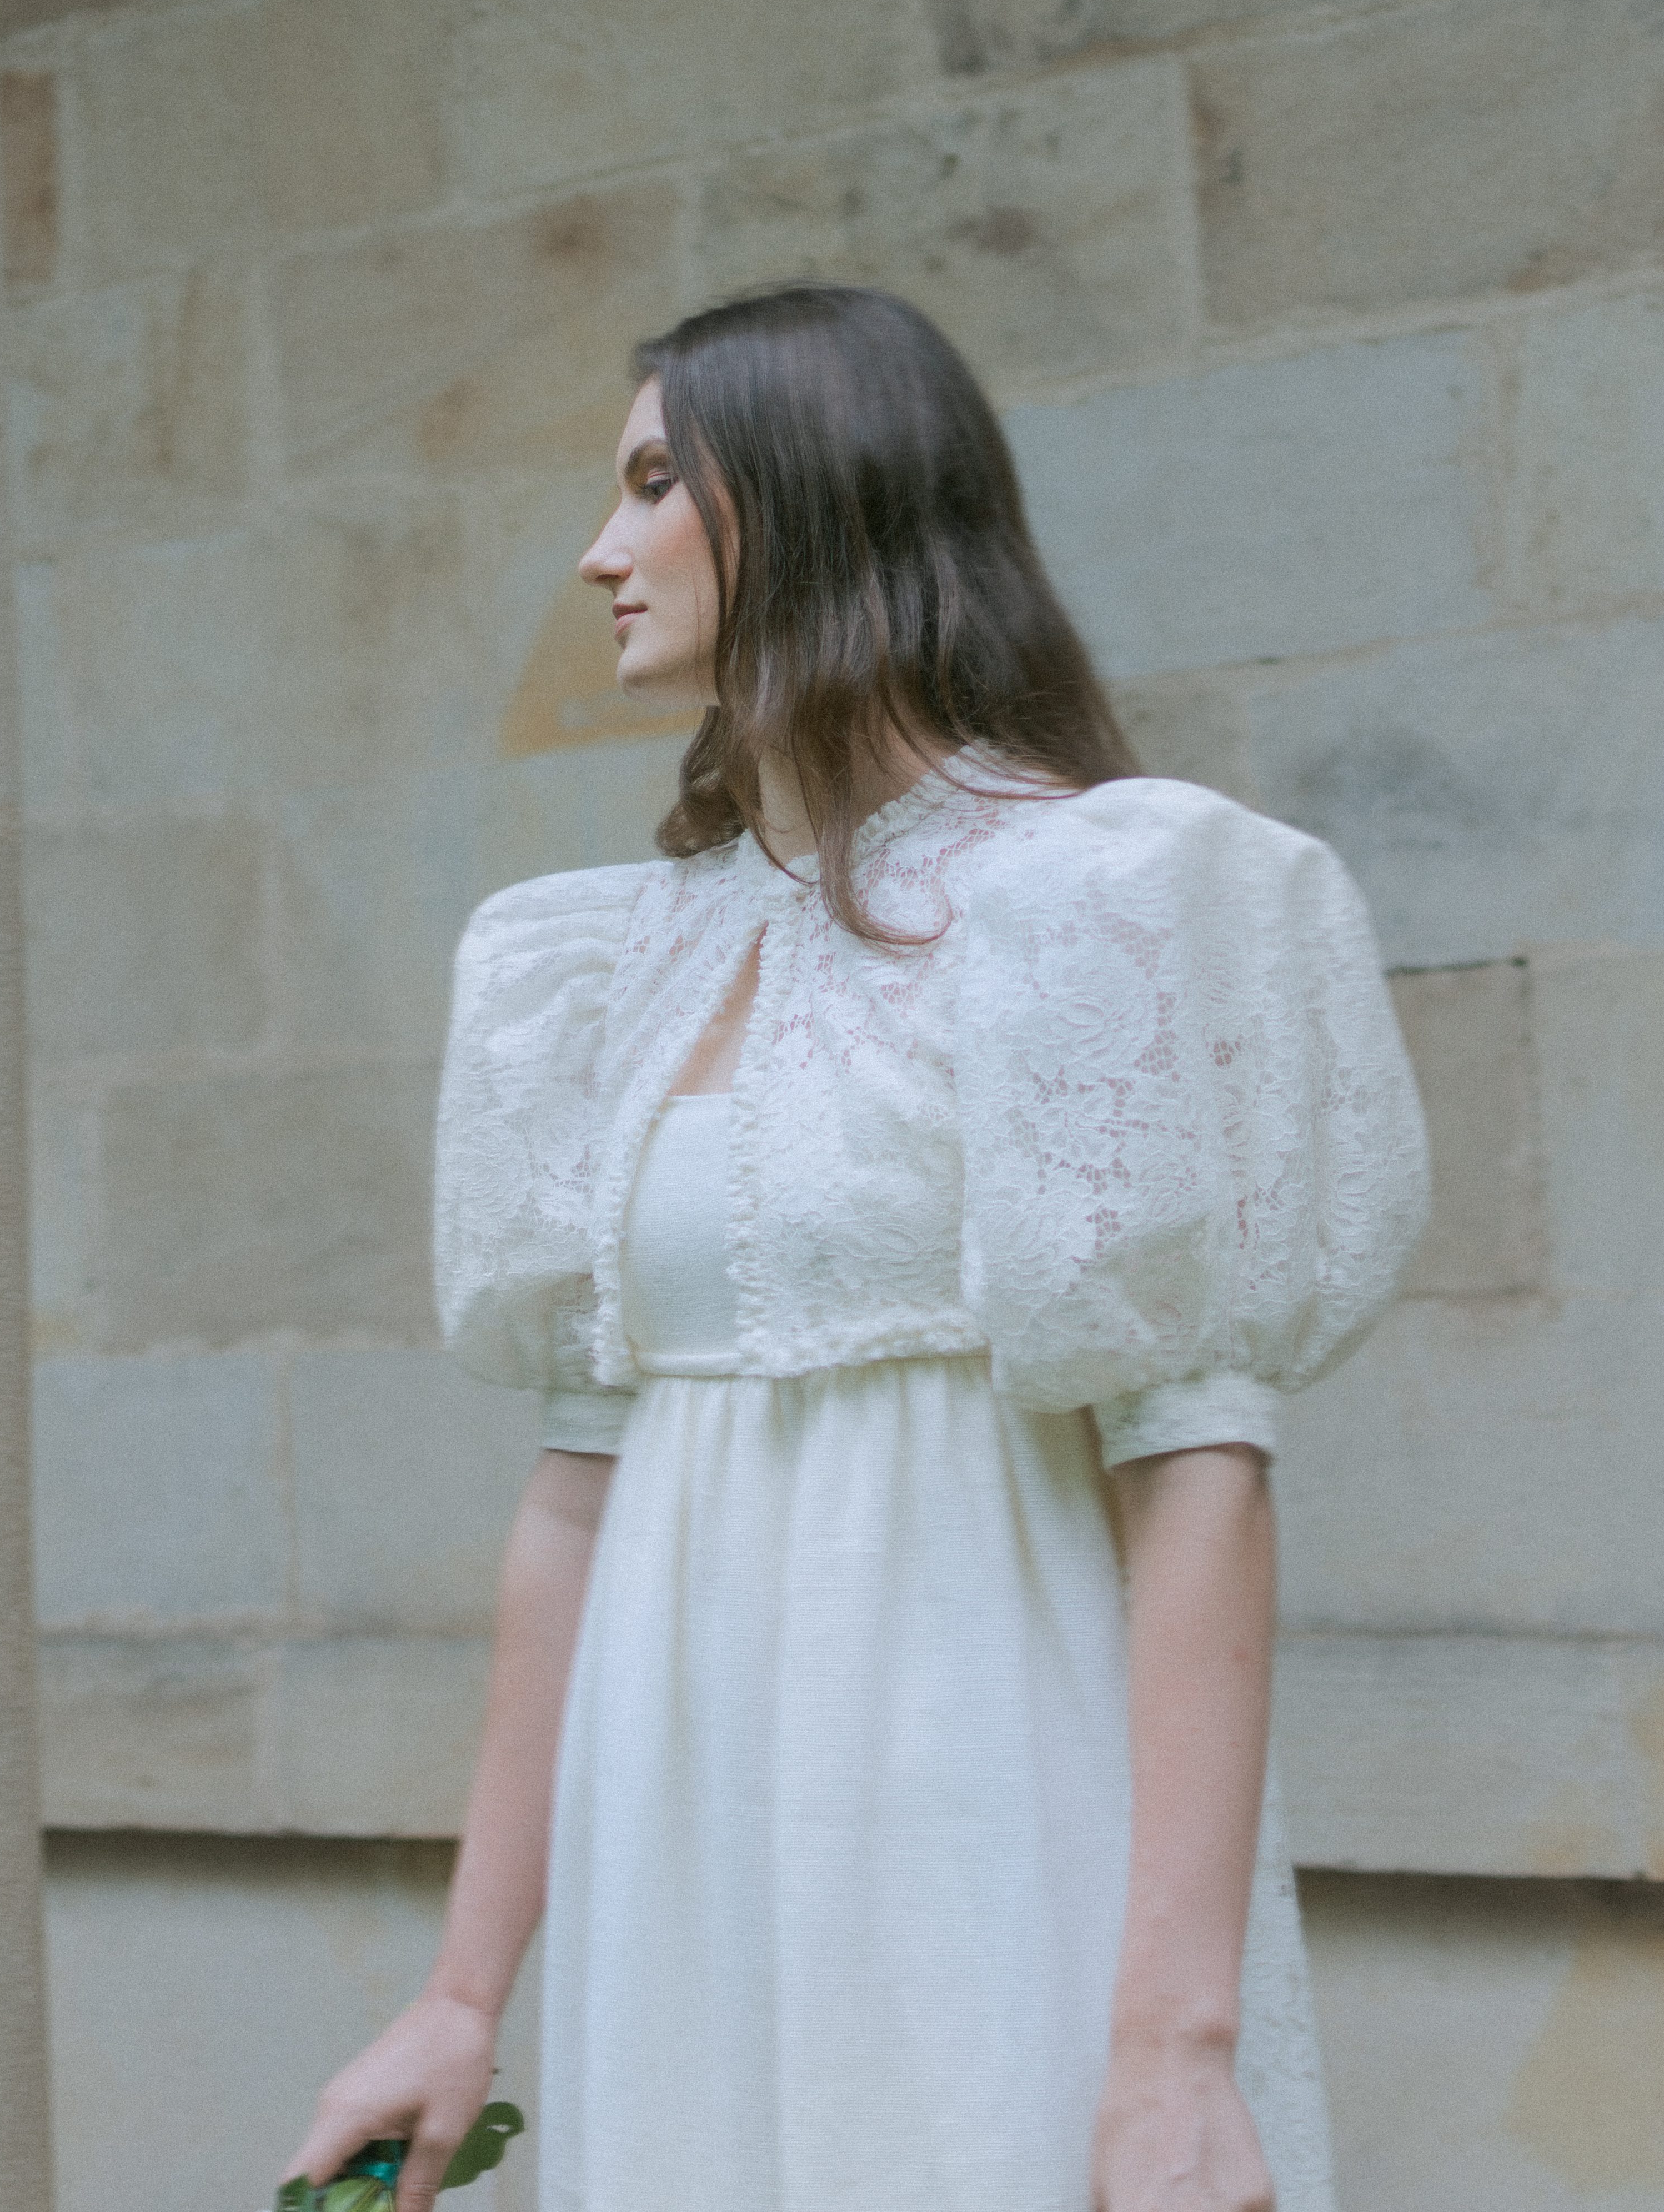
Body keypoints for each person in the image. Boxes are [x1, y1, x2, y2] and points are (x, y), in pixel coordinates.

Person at [282, 285, 1430, 2212]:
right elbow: (573, 1499)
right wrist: (462, 1991)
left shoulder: (1099, 900)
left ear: (812, 502)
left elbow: (1196, 1469)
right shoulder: (610, 965)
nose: (599, 549)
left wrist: (1171, 2045)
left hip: (985, 1803)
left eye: (656, 483)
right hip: (685, 1840)